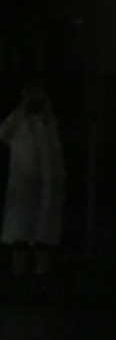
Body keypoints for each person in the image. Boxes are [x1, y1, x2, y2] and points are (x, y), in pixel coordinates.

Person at [0, 84, 65, 282]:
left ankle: (40, 279)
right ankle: (20, 278)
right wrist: (23, 105)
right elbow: (4, 134)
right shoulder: (17, 121)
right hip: (24, 186)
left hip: (45, 187)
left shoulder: (47, 123)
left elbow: (54, 153)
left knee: (43, 236)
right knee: (21, 233)